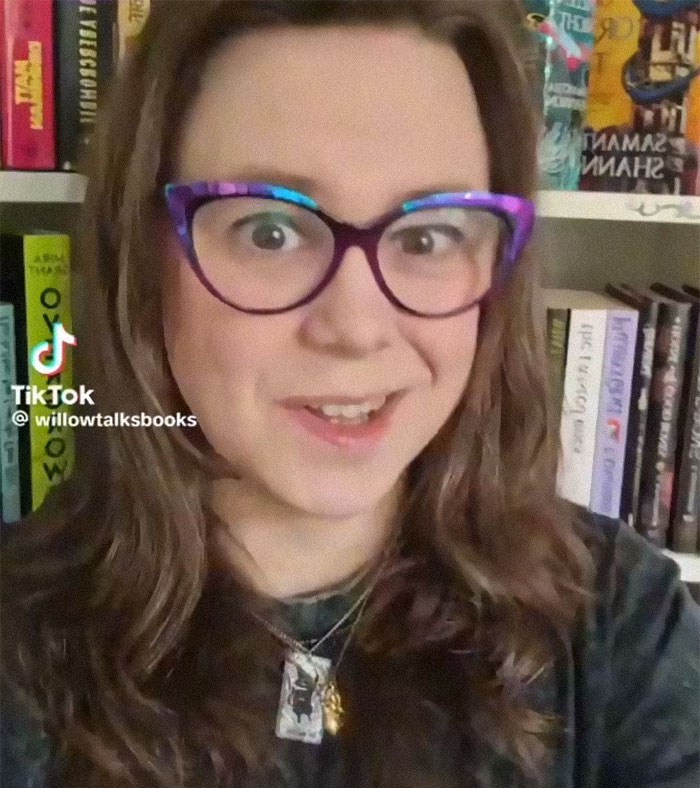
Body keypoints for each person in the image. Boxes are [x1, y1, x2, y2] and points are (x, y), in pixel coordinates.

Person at [1, 1, 698, 786]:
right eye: (270, 231)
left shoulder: (619, 624)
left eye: (428, 236)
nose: (358, 328)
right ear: (144, 260)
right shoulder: (19, 652)